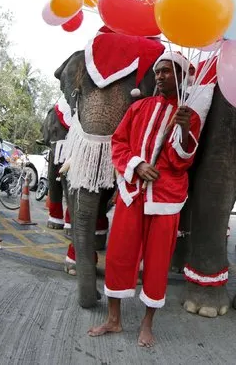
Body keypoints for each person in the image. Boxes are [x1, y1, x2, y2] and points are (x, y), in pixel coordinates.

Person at [88, 52, 201, 347]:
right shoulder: (138, 108)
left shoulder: (191, 116)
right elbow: (119, 143)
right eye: (158, 71)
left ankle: (147, 323)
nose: (161, 76)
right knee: (119, 256)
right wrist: (137, 164)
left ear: (181, 77)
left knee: (157, 262)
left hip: (166, 200)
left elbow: (182, 162)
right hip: (132, 193)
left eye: (167, 72)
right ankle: (114, 320)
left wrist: (184, 128)